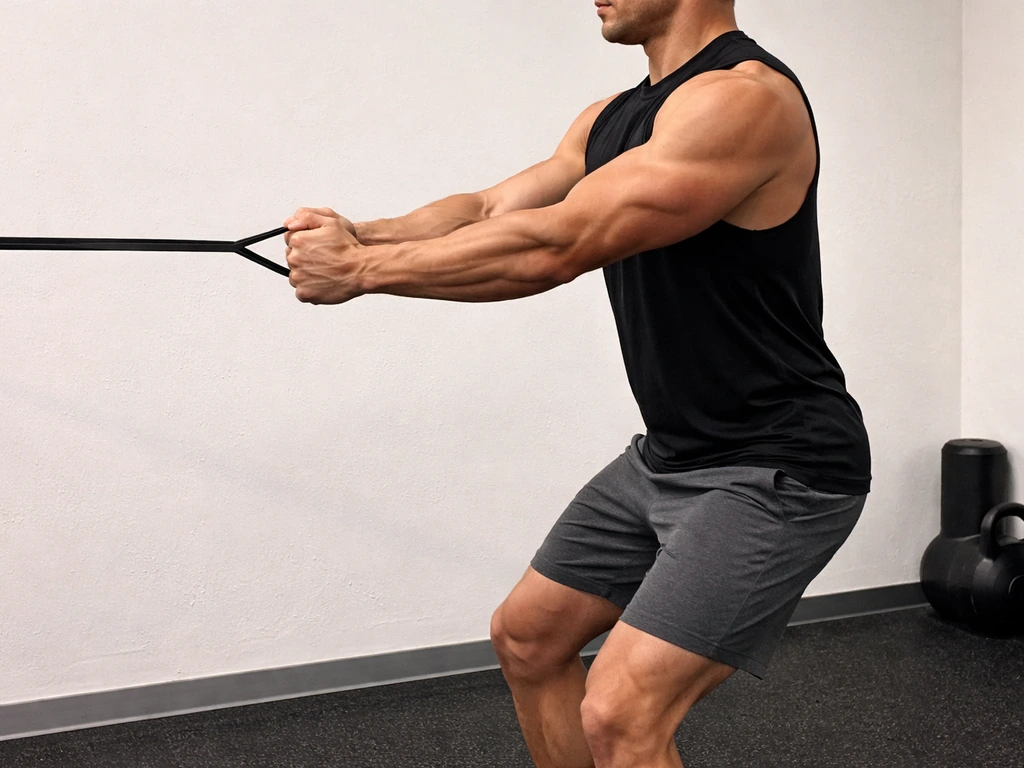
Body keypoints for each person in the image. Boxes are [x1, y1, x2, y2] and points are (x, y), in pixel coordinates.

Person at [283, 0, 872, 765]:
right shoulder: (613, 119)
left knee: (623, 714)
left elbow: (561, 242)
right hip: (670, 455)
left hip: (779, 466)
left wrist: (362, 271)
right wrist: (365, 231)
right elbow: (495, 206)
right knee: (527, 638)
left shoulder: (746, 100)